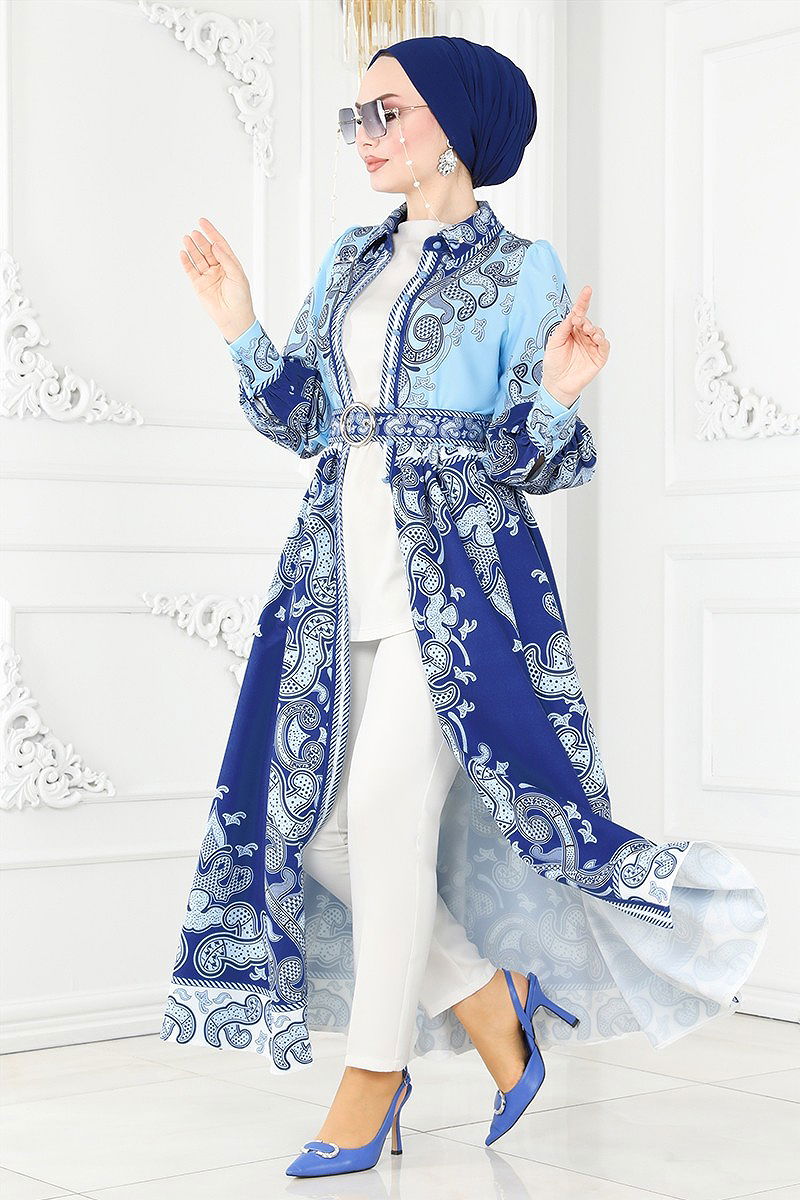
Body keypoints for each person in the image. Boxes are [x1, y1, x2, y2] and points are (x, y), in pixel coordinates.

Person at [167, 34, 768, 1179]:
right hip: (332, 572)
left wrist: (556, 393)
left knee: (386, 803)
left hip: (456, 584)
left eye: (384, 113)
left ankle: (371, 1077)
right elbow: (304, 421)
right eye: (354, 116)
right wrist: (238, 323)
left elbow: (529, 461)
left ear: (451, 124)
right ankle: (496, 1002)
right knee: (322, 826)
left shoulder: (520, 269)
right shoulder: (348, 257)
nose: (363, 136)